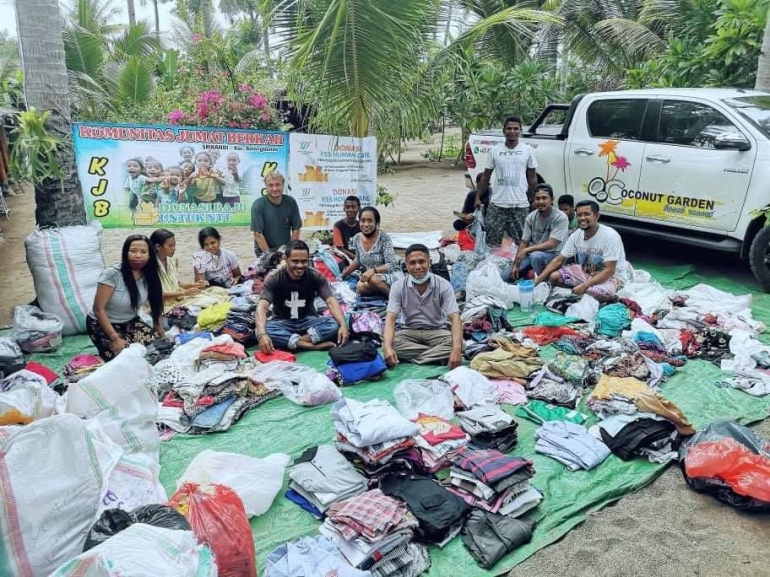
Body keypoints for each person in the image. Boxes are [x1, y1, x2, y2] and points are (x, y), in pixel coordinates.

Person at [255, 240, 348, 352]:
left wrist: (343, 325)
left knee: (334, 325)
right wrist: (262, 334)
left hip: (308, 320)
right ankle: (310, 345)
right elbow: (261, 307)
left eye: (304, 261)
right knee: (260, 331)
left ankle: (292, 342)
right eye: (295, 261)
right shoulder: (274, 278)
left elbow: (331, 302)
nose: (300, 266)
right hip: (282, 321)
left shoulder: (315, 276)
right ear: (286, 259)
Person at [383, 244, 463, 368]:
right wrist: (387, 347)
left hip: (437, 330)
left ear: (429, 262)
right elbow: (390, 318)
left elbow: (455, 317)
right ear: (406, 265)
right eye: (412, 263)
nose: (418, 267)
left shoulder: (443, 285)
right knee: (390, 344)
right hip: (408, 330)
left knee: (460, 345)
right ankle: (436, 356)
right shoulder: (398, 286)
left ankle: (415, 358)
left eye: (422, 262)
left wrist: (457, 350)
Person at [534, 200, 630, 302]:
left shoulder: (610, 236)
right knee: (554, 277)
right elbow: (559, 260)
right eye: (579, 215)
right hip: (586, 272)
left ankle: (613, 297)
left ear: (596, 216)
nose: (582, 218)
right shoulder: (577, 235)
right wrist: (538, 280)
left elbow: (609, 270)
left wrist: (585, 286)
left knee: (592, 293)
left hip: (611, 277)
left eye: (587, 214)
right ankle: (583, 290)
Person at [87, 235, 164, 360]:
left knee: (156, 348)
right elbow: (98, 309)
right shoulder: (112, 274)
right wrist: (114, 337)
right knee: (123, 357)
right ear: (125, 253)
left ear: (150, 255)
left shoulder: (150, 275)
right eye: (133, 251)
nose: (138, 255)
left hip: (130, 321)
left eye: (143, 252)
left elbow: (156, 306)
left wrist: (161, 333)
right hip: (102, 323)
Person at [475, 116, 538, 246]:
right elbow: (486, 176)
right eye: (509, 128)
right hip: (497, 204)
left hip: (519, 205)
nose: (512, 131)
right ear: (503, 131)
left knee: (522, 242)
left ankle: (519, 266)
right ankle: (492, 266)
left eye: (516, 128)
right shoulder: (495, 150)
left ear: (520, 131)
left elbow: (532, 177)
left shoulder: (528, 150)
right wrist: (477, 197)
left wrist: (534, 198)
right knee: (491, 243)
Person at [508, 183, 569, 280]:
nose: (541, 201)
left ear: (552, 199)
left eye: (544, 198)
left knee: (536, 257)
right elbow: (524, 242)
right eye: (538, 198)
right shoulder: (531, 217)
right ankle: (533, 271)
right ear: (534, 200)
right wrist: (515, 264)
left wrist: (526, 250)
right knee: (507, 276)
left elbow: (551, 244)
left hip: (554, 255)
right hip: (533, 254)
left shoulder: (560, 217)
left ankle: (544, 281)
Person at [341, 206, 400, 296]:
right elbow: (358, 259)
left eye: (370, 220)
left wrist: (373, 270)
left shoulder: (384, 238)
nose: (366, 224)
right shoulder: (357, 238)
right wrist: (343, 276)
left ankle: (393, 299)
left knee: (373, 279)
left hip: (389, 275)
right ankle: (382, 291)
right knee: (360, 287)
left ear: (376, 222)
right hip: (369, 277)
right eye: (363, 220)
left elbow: (391, 264)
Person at [150, 229, 206, 308]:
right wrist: (184, 293)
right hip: (162, 305)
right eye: (170, 246)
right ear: (158, 246)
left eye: (174, 245)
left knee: (214, 295)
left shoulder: (172, 261)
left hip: (177, 299)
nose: (174, 248)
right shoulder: (150, 266)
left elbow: (176, 284)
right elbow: (157, 294)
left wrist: (194, 285)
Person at [251, 170, 302, 256]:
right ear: (266, 187)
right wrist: (269, 255)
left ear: (283, 185)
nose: (275, 188)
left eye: (277, 184)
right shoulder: (258, 205)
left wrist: (291, 250)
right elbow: (257, 234)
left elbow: (296, 228)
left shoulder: (291, 202)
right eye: (270, 185)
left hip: (285, 248)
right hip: (264, 249)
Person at [332, 195, 361, 260]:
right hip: (345, 259)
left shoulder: (362, 225)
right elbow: (340, 248)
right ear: (344, 209)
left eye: (353, 207)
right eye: (348, 207)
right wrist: (357, 259)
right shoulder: (338, 226)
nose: (350, 209)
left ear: (359, 208)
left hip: (361, 259)